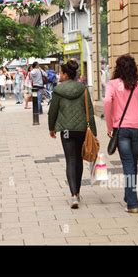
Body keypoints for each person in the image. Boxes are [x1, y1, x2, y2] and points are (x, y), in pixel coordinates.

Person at [104, 54, 138, 214]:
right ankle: (129, 195)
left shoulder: (112, 84)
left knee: (128, 163)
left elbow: (107, 102)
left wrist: (110, 126)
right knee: (132, 162)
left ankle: (132, 203)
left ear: (118, 68)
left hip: (122, 128)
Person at [48, 60, 97, 209]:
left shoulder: (58, 90)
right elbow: (90, 111)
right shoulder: (83, 89)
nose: (59, 75)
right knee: (79, 160)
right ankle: (78, 191)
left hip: (67, 131)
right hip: (82, 129)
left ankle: (74, 195)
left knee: (70, 160)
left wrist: (52, 128)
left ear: (65, 74)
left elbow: (53, 111)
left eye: (60, 73)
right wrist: (93, 133)